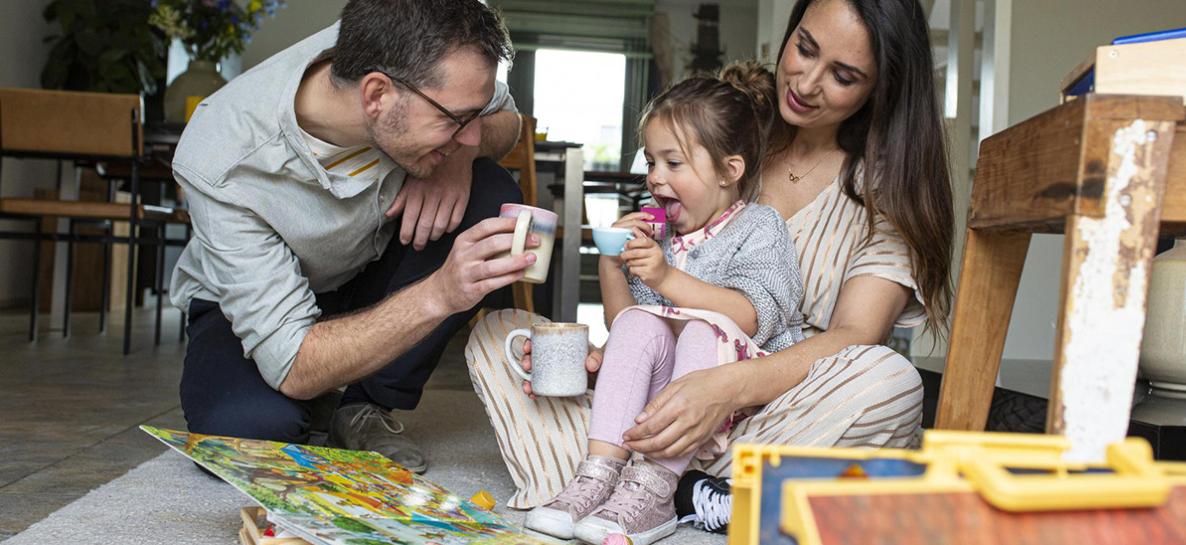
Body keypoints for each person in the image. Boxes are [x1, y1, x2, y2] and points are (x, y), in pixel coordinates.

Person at [465, 0, 953, 535]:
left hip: (779, 408)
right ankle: (674, 488)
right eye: (805, 48)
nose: (808, 83)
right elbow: (646, 315)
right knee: (500, 337)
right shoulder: (722, 129)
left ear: (879, 88)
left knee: (890, 381)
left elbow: (856, 335)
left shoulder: (886, 188)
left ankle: (664, 484)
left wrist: (725, 387)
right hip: (657, 401)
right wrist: (603, 361)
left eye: (842, 75)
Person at [172, 0, 536, 474]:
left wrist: (455, 158)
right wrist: (440, 295)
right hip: (250, 304)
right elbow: (295, 364)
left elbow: (507, 123)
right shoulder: (220, 159)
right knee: (249, 435)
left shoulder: (410, 46)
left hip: (368, 265)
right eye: (456, 121)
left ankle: (362, 405)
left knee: (492, 191)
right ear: (377, 96)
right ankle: (323, 391)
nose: (469, 134)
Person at [523, 63, 803, 545]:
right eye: (651, 162)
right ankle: (599, 473)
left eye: (674, 164)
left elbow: (749, 315)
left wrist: (666, 276)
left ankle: (655, 489)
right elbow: (626, 325)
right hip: (663, 399)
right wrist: (615, 263)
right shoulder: (666, 240)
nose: (655, 178)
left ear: (727, 171)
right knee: (638, 323)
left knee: (700, 328)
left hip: (736, 395)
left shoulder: (761, 226)